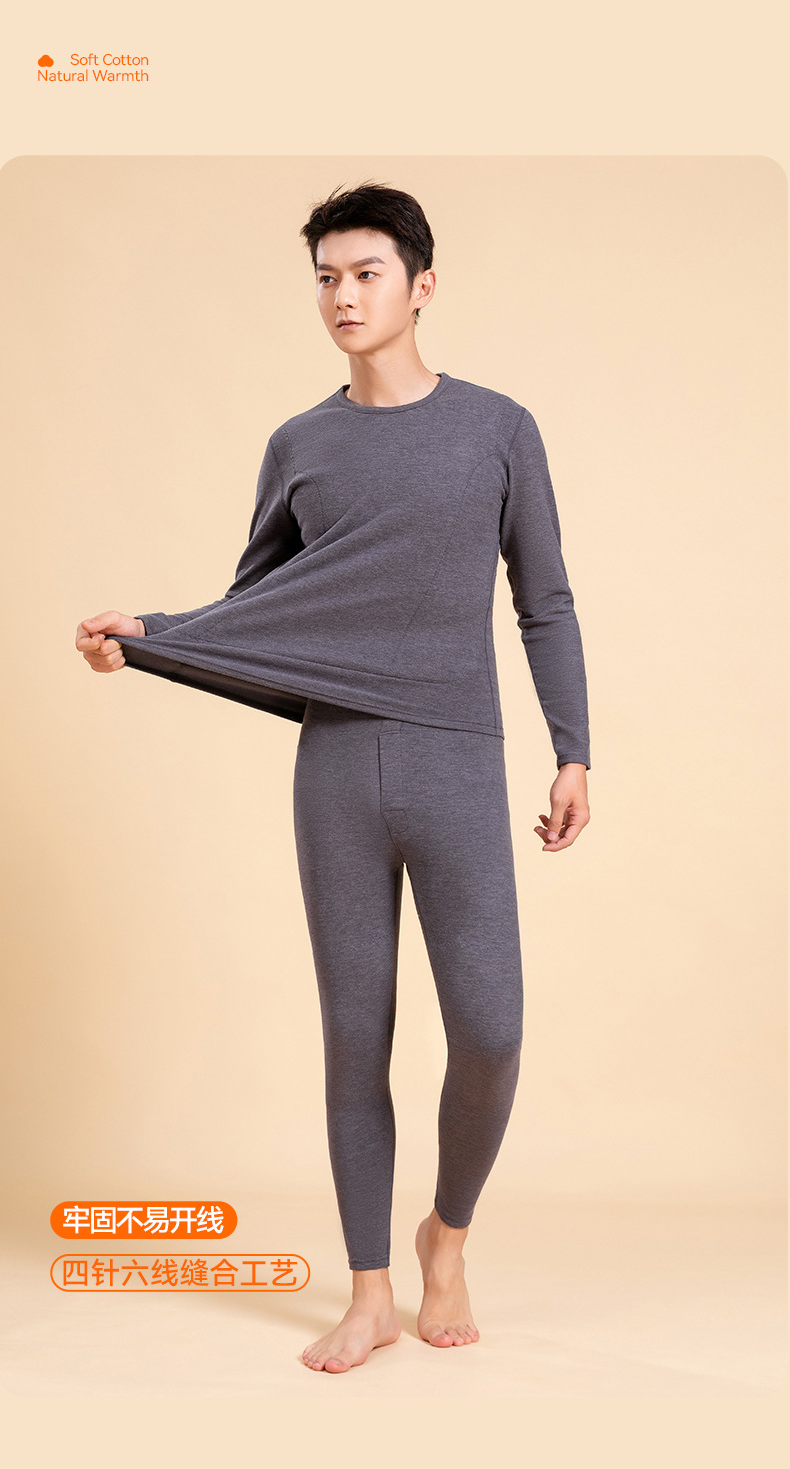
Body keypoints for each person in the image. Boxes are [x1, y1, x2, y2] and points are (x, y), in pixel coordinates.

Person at [75, 181, 591, 1375]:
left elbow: (545, 599)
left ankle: (444, 1234)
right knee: (355, 1033)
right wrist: (148, 637)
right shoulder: (299, 446)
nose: (343, 296)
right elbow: (259, 615)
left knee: (492, 1029)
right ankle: (368, 1291)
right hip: (337, 766)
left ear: (421, 284)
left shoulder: (498, 427)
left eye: (365, 273)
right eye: (324, 277)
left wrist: (572, 747)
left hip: (457, 756)